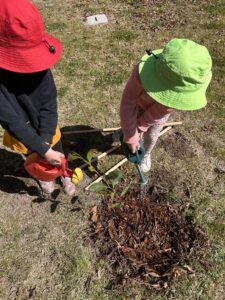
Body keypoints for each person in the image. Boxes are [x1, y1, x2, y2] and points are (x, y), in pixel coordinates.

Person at [0, 0, 75, 195]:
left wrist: (46, 142)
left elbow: (49, 103)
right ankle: (42, 176)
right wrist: (42, 151)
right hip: (20, 134)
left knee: (57, 152)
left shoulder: (41, 69)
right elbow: (12, 121)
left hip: (46, 128)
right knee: (32, 156)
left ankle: (64, 173)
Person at [120, 38, 212, 172]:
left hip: (157, 115)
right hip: (138, 106)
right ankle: (126, 132)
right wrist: (131, 134)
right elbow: (128, 104)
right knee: (128, 124)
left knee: (151, 136)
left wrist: (141, 126)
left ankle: (146, 154)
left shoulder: (173, 99)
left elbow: (163, 108)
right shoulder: (140, 74)